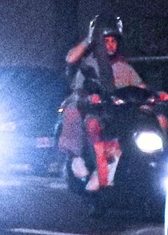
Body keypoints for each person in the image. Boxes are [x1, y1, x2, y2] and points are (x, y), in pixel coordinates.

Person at [60, 16, 144, 192]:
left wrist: (154, 95)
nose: (110, 45)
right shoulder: (89, 64)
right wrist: (90, 38)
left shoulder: (124, 66)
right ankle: (88, 163)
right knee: (85, 120)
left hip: (119, 115)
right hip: (96, 112)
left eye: (113, 41)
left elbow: (140, 87)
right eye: (105, 40)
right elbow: (71, 60)